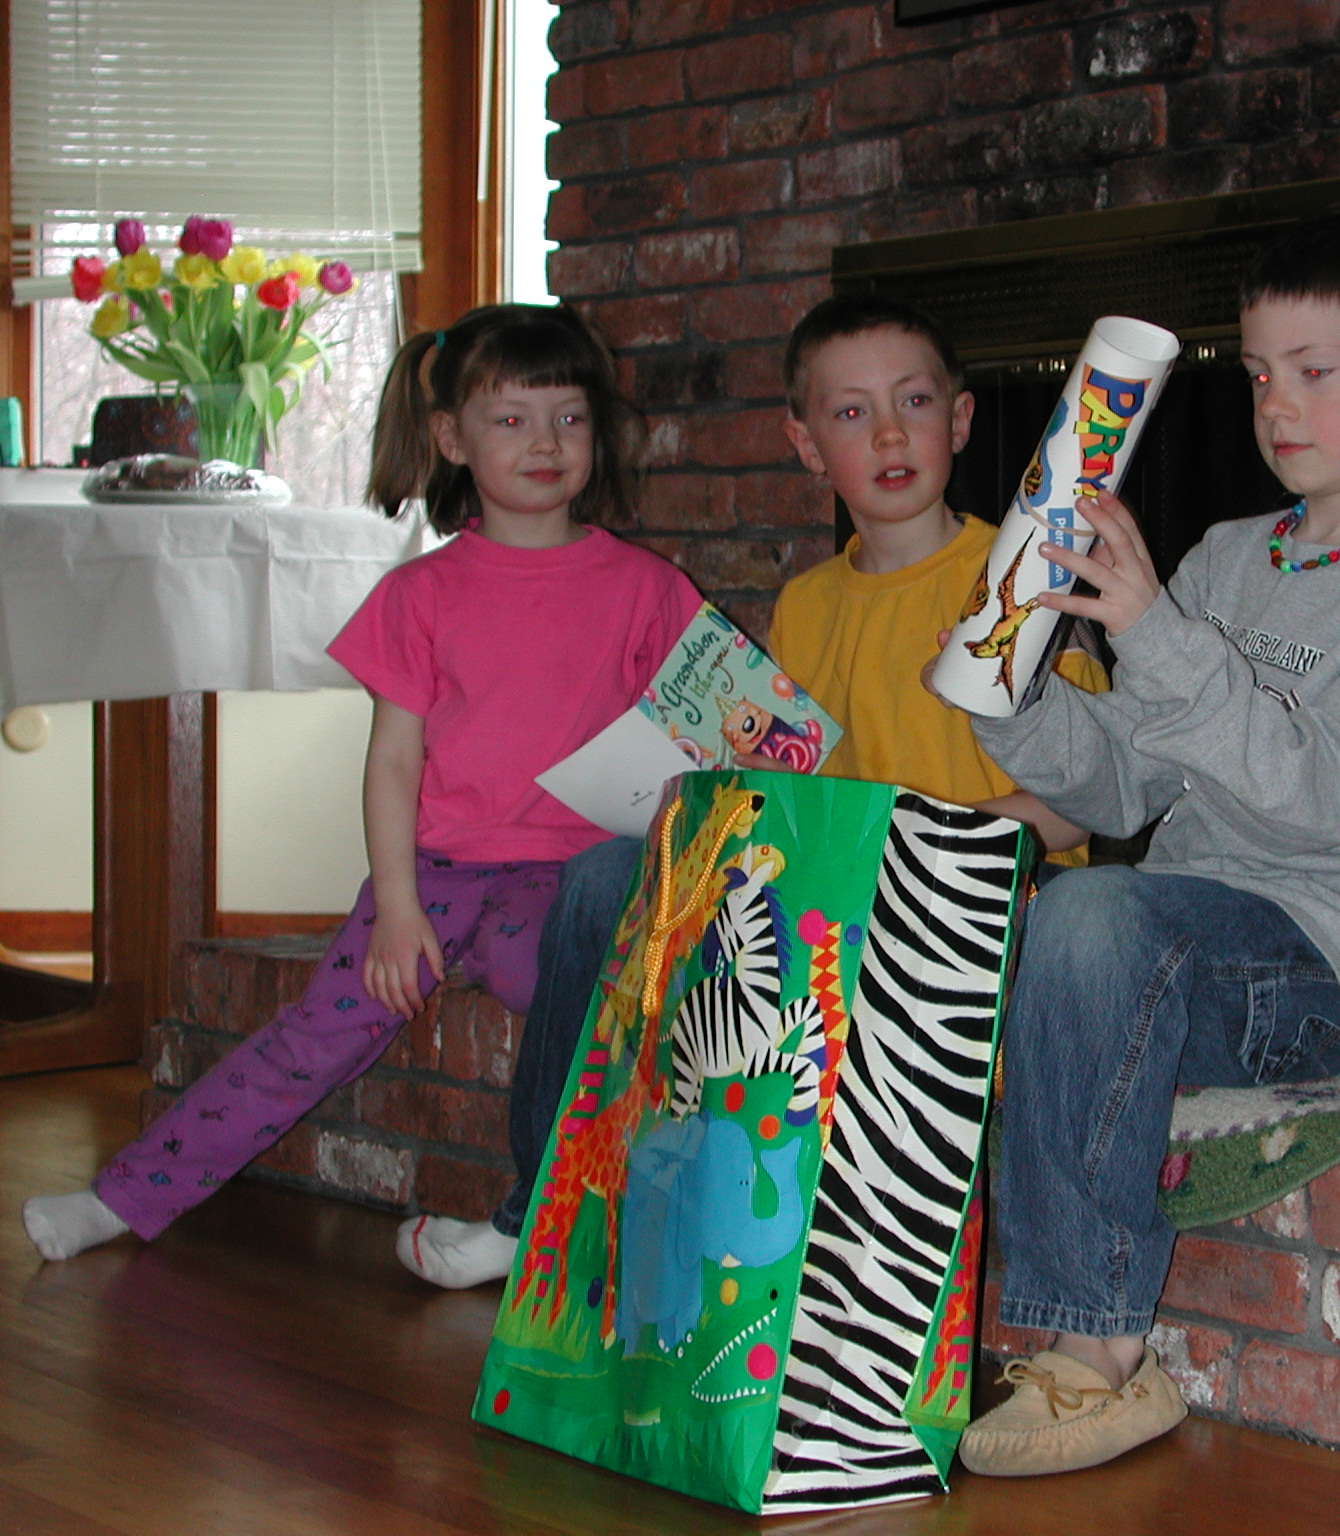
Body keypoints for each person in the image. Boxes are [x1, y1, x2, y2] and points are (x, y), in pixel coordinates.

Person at [946, 202, 1340, 1477]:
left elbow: (1326, 800)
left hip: (1322, 970)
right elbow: (1118, 785)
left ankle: (1097, 1349)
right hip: (1183, 948)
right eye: (1257, 375)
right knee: (987, 919)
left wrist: (1156, 634)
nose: (1276, 405)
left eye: (1314, 370)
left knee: (1088, 913)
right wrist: (1009, 684)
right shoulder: (1225, 557)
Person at [399, 293, 1104, 1288]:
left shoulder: (1025, 582)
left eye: (912, 402)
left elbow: (1078, 808)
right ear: (806, 445)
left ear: (959, 420)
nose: (889, 433)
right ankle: (543, 1215)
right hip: (833, 898)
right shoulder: (805, 605)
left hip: (978, 897)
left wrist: (916, 840)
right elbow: (786, 785)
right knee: (601, 879)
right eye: (851, 412)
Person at [20, 304, 702, 1268]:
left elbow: (693, 735)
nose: (546, 444)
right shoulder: (420, 595)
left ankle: (558, 1227)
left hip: (564, 882)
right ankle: (121, 1199)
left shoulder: (646, 589)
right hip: (433, 874)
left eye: (569, 418)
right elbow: (392, 761)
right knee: (313, 1035)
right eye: (511, 420)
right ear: (450, 438)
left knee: (578, 1004)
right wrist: (396, 904)